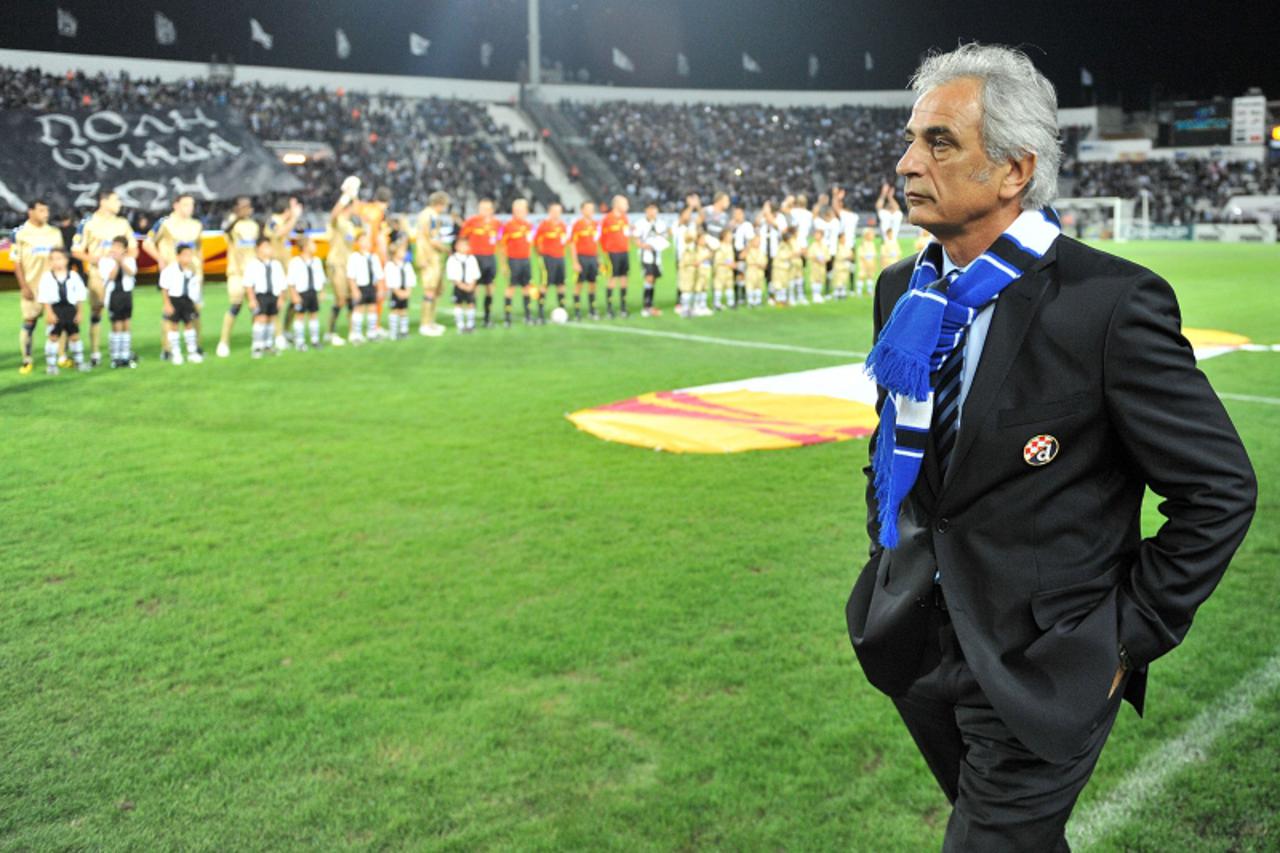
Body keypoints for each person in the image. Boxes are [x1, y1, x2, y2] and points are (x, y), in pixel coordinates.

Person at [845, 44, 1256, 852]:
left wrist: (1127, 635)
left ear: (1013, 171)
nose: (906, 162)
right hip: (920, 644)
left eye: (938, 142)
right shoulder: (905, 288)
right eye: (911, 139)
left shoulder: (1108, 305)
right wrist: (885, 554)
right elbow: (894, 439)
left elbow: (1220, 490)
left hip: (1047, 662)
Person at [71, 190, 137, 367]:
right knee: (97, 313)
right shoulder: (88, 223)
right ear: (103, 201)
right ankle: (95, 353)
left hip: (120, 278)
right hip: (98, 277)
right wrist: (96, 259)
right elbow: (76, 250)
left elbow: (134, 248)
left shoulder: (122, 223)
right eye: (116, 200)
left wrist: (122, 258)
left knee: (122, 316)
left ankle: (122, 351)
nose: (119, 204)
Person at [143, 193, 203, 361]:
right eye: (185, 204)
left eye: (191, 204)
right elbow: (147, 243)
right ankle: (168, 349)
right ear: (176, 205)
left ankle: (195, 347)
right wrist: (160, 259)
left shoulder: (196, 225)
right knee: (170, 312)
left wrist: (200, 272)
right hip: (172, 274)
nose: (189, 208)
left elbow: (199, 250)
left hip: (191, 275)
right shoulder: (165, 223)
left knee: (194, 310)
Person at [11, 198, 63, 374]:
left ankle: (59, 357)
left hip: (53, 286)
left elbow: (61, 258)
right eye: (41, 210)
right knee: (30, 322)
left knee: (56, 322)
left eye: (46, 210)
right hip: (32, 286)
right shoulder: (20, 233)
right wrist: (23, 286)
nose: (45, 214)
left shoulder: (54, 232)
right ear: (30, 212)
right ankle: (27, 359)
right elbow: (16, 262)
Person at [216, 196, 261, 357]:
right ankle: (223, 342)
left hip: (253, 272)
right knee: (235, 306)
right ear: (236, 208)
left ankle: (258, 341)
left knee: (257, 306)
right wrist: (236, 217)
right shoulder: (231, 223)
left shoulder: (254, 225)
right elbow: (225, 230)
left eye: (248, 206)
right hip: (236, 272)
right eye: (242, 206)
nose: (246, 209)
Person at [37, 248, 88, 374]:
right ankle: (51, 366)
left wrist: (79, 313)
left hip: (70, 309)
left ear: (66, 260)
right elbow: (44, 297)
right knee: (53, 336)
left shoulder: (74, 276)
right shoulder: (47, 277)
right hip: (56, 309)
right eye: (53, 259)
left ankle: (79, 362)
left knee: (74, 336)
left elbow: (80, 296)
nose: (56, 262)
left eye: (59, 258)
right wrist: (49, 313)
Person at [265, 196, 302, 349]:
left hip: (286, 268)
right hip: (275, 269)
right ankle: (276, 334)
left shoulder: (285, 223)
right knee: (277, 302)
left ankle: (285, 330)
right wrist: (294, 217)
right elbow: (279, 233)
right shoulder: (273, 221)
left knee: (293, 300)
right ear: (286, 210)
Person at [325, 185, 360, 346]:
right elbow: (333, 215)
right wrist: (345, 196)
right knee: (340, 299)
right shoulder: (338, 221)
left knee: (350, 298)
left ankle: (353, 331)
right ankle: (330, 332)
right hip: (336, 264)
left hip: (348, 265)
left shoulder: (350, 225)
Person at [158, 243, 203, 365]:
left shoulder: (192, 271)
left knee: (189, 324)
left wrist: (197, 302)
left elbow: (195, 288)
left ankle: (192, 352)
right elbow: (164, 288)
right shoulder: (170, 270)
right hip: (174, 299)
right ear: (178, 256)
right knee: (174, 326)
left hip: (187, 300)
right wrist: (167, 304)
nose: (188, 258)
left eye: (190, 255)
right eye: (185, 255)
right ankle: (176, 352)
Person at [415, 191, 452, 337]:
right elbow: (433, 239)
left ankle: (430, 322)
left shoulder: (424, 214)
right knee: (430, 290)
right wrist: (447, 249)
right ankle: (425, 324)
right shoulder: (431, 217)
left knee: (435, 290)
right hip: (429, 257)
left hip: (427, 256)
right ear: (440, 204)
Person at [243, 237, 286, 358]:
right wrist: (251, 299)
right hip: (260, 296)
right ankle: (257, 346)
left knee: (271, 319)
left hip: (274, 295)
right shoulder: (253, 264)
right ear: (258, 249)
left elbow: (282, 283)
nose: (268, 249)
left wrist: (281, 298)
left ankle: (268, 344)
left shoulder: (276, 264)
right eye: (265, 246)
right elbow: (248, 284)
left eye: (269, 246)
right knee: (260, 319)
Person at [460, 198, 500, 327]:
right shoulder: (472, 222)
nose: (485, 211)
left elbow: (499, 240)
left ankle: (487, 318)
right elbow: (462, 239)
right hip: (475, 258)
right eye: (482, 208)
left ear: (492, 210)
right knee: (474, 287)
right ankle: (471, 318)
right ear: (478, 209)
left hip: (490, 257)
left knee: (490, 287)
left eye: (487, 209)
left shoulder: (497, 224)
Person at [99, 236, 138, 368]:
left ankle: (125, 355)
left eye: (118, 247)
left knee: (126, 322)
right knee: (116, 324)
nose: (115, 249)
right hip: (113, 295)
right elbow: (110, 276)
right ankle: (116, 356)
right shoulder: (105, 261)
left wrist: (122, 261)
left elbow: (131, 272)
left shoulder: (130, 260)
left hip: (126, 294)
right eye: (113, 246)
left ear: (124, 249)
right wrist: (116, 263)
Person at [499, 198, 536, 326]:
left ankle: (528, 315)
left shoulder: (529, 226)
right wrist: (504, 265)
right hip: (513, 260)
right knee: (511, 287)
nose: (521, 212)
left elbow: (530, 243)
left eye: (523, 209)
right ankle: (507, 318)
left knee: (527, 287)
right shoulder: (507, 226)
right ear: (514, 210)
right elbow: (502, 246)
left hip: (526, 260)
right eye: (518, 209)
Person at [287, 235, 326, 351]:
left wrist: (322, 291)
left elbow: (321, 278)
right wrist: (294, 295)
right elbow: (291, 281)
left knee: (314, 315)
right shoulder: (295, 262)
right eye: (312, 244)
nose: (314, 247)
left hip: (313, 291)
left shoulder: (317, 261)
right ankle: (300, 341)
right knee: (300, 316)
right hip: (301, 292)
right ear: (304, 247)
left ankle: (315, 340)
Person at [345, 232, 382, 344]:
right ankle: (356, 333)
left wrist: (380, 289)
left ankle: (372, 332)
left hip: (371, 286)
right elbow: (351, 276)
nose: (365, 243)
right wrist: (354, 290)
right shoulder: (354, 257)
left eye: (367, 240)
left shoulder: (374, 257)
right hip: (360, 286)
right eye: (362, 240)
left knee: (372, 308)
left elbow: (379, 275)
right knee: (358, 310)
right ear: (357, 243)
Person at [534, 201, 570, 315]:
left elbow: (565, 241)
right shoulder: (544, 225)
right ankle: (540, 311)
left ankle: (562, 308)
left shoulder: (563, 226)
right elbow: (536, 243)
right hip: (547, 258)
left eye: (559, 211)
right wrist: (541, 255)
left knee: (561, 284)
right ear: (550, 212)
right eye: (554, 211)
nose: (557, 213)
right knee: (545, 283)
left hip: (560, 258)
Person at [599, 194, 631, 318]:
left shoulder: (625, 218)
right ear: (617, 204)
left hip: (625, 251)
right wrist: (603, 255)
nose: (627, 206)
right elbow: (602, 238)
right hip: (612, 253)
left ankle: (623, 307)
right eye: (625, 203)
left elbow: (626, 233)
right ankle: (609, 308)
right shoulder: (607, 219)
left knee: (624, 278)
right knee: (612, 279)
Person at [634, 202, 668, 317]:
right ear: (646, 211)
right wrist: (644, 246)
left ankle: (650, 304)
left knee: (653, 280)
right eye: (650, 210)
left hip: (657, 256)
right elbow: (636, 240)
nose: (653, 213)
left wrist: (661, 242)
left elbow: (665, 237)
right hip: (646, 256)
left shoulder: (660, 223)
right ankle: (646, 306)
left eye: (654, 210)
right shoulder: (640, 223)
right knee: (649, 278)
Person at [569, 202, 600, 321]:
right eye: (588, 209)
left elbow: (595, 242)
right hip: (582, 258)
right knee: (579, 285)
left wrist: (598, 258)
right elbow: (572, 244)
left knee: (593, 284)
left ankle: (592, 310)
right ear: (582, 210)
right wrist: (575, 262)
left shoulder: (595, 224)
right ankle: (577, 312)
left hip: (593, 258)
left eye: (592, 209)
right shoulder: (577, 225)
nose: (591, 211)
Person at [446, 237, 481, 334]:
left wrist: (472, 285)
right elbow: (451, 275)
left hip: (470, 285)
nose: (464, 247)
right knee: (458, 304)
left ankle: (470, 324)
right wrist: (460, 285)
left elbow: (475, 273)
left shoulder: (471, 258)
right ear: (456, 246)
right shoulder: (452, 259)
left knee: (471, 303)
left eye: (466, 245)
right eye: (461, 245)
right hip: (459, 286)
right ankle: (460, 325)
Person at [383, 240, 416, 340]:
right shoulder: (390, 265)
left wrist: (408, 291)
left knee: (404, 310)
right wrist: (397, 291)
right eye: (402, 251)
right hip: (395, 291)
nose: (404, 253)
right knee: (394, 311)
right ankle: (393, 332)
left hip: (405, 290)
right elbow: (390, 280)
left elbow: (411, 278)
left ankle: (404, 331)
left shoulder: (407, 265)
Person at [675, 225, 699, 318]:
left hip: (691, 272)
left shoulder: (691, 248)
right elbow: (684, 262)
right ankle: (684, 309)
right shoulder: (686, 249)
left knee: (690, 290)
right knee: (686, 291)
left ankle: (689, 308)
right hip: (686, 273)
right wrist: (693, 263)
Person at [712, 233, 735, 311]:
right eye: (729, 236)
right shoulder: (720, 247)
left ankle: (730, 302)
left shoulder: (730, 246)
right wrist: (729, 263)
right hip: (721, 269)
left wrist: (732, 263)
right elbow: (718, 260)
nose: (731, 238)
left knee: (729, 285)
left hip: (728, 269)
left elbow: (730, 258)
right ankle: (717, 303)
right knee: (719, 285)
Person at [743, 234, 767, 308]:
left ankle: (757, 301)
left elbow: (765, 262)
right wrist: (748, 248)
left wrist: (763, 265)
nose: (758, 243)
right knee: (750, 286)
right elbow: (741, 256)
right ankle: (750, 301)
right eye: (756, 241)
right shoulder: (749, 250)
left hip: (759, 271)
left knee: (758, 286)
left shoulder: (761, 251)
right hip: (751, 271)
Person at [855, 227, 878, 298]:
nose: (872, 236)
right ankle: (859, 291)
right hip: (864, 264)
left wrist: (873, 257)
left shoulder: (872, 244)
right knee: (861, 276)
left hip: (870, 264)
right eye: (871, 234)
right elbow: (860, 253)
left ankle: (870, 290)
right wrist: (866, 256)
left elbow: (874, 253)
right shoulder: (863, 243)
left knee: (870, 276)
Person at [831, 232, 853, 301]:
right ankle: (836, 294)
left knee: (844, 279)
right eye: (843, 238)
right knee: (838, 280)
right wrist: (845, 257)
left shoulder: (847, 247)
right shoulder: (837, 247)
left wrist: (849, 257)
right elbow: (838, 256)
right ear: (839, 239)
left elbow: (851, 255)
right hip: (839, 266)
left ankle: (843, 293)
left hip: (845, 266)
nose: (844, 239)